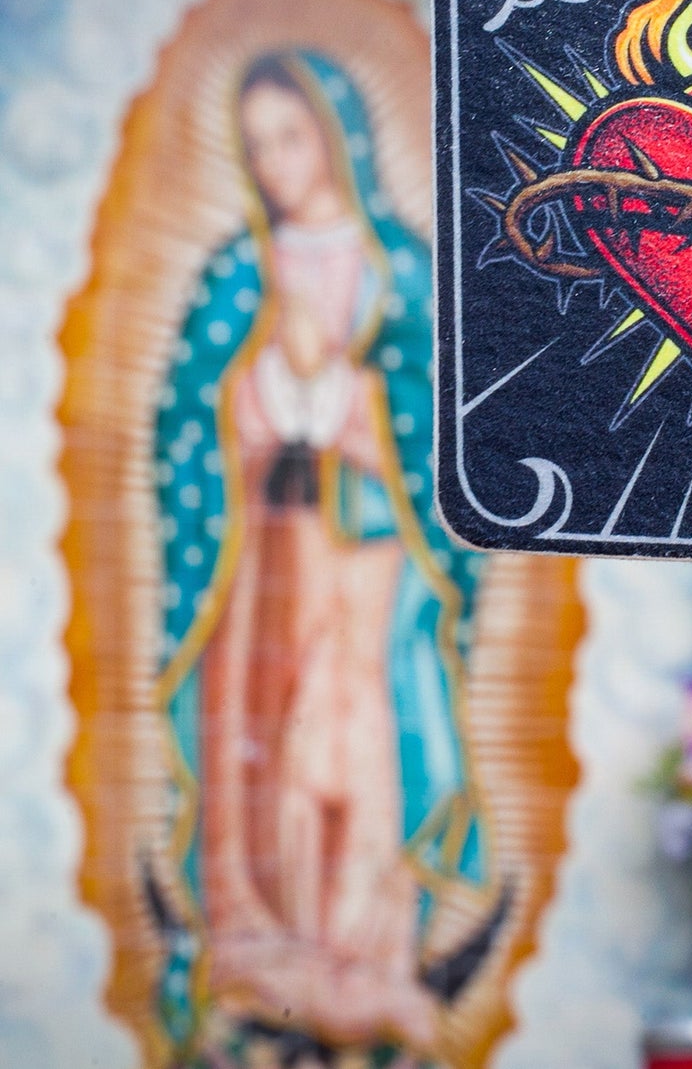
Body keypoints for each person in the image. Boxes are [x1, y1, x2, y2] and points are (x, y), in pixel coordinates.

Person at [153, 51, 486, 1054]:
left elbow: (442, 413)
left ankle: (363, 955)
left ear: (335, 135)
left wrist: (344, 399)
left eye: (291, 137)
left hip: (369, 554)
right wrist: (257, 388)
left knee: (353, 747)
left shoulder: (399, 270)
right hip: (259, 560)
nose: (277, 164)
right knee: (268, 742)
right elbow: (182, 414)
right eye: (257, 147)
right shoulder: (233, 271)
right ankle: (260, 941)